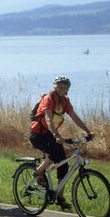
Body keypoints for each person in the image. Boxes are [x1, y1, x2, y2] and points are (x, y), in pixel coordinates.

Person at [29, 76, 93, 210]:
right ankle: (39, 173)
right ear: (55, 87)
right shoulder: (49, 99)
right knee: (56, 153)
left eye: (64, 87)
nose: (62, 89)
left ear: (68, 90)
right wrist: (56, 135)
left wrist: (88, 132)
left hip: (50, 134)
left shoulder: (65, 102)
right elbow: (48, 119)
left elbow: (75, 117)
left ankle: (60, 197)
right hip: (38, 135)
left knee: (63, 165)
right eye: (59, 87)